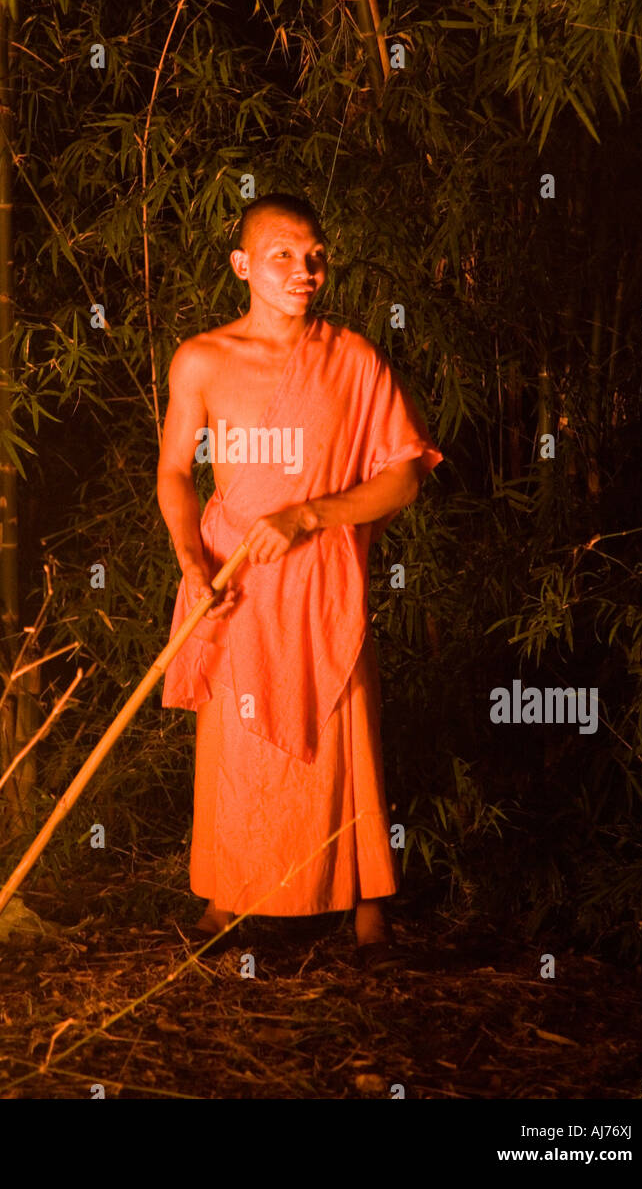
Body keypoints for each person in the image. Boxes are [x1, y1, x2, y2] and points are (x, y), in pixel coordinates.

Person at [157, 193, 443, 967]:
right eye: (283, 254)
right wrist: (192, 560)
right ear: (243, 265)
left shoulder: (351, 358)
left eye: (314, 255)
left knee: (346, 730)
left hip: (320, 572)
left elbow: (406, 476)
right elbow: (176, 473)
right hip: (234, 573)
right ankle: (227, 892)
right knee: (236, 737)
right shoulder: (203, 359)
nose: (304, 270)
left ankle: (368, 905)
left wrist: (311, 516)